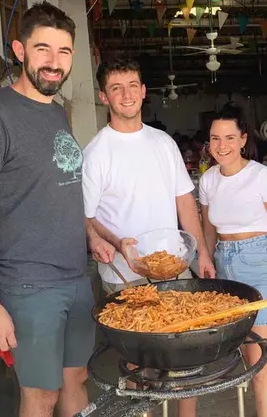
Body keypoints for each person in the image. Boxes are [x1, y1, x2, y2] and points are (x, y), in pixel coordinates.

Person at [0, 3, 93, 417]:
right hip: (28, 287)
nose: (54, 62)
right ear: (19, 50)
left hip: (74, 277)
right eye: (43, 49)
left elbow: (56, 190)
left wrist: (93, 236)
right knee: (40, 395)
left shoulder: (57, 114)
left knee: (75, 379)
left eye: (64, 52)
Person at [82, 57, 215, 416]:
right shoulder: (96, 153)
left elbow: (185, 202)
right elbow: (85, 216)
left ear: (143, 92)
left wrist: (202, 251)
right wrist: (112, 242)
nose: (126, 95)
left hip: (175, 268)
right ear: (103, 96)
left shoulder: (163, 143)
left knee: (186, 363)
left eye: (132, 86)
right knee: (140, 369)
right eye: (115, 88)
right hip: (127, 277)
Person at [198, 102, 267, 416]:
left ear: (243, 139)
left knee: (260, 364)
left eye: (229, 138)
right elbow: (208, 229)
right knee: (245, 357)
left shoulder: (262, 177)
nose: (222, 145)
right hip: (225, 270)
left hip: (262, 264)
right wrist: (207, 265)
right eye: (215, 138)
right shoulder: (208, 180)